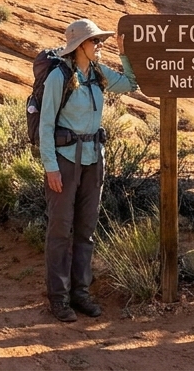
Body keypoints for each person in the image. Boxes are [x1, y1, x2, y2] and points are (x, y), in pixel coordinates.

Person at [38, 18, 138, 322]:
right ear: (79, 45)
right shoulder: (59, 76)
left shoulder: (97, 73)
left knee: (86, 230)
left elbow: (131, 84)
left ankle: (80, 294)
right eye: (95, 41)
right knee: (60, 230)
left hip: (94, 160)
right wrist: (50, 167)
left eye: (100, 41)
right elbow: (45, 125)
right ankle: (59, 298)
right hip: (66, 162)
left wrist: (124, 54)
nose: (99, 46)